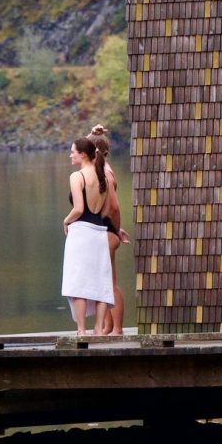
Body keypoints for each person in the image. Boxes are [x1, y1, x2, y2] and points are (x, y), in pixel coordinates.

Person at [63, 135, 117, 336]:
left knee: (78, 282)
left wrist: (66, 220)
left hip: (81, 233)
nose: (70, 155)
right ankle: (98, 328)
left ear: (83, 154)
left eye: (73, 152)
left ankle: (81, 330)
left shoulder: (77, 177)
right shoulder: (102, 175)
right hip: (99, 232)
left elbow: (78, 209)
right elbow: (105, 211)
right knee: (100, 281)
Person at [87, 123, 129, 332]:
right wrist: (94, 133)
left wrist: (116, 230)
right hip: (105, 230)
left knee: (110, 282)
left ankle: (117, 329)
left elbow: (113, 206)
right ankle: (108, 327)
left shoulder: (105, 172)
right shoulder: (102, 168)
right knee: (104, 282)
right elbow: (86, 146)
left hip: (107, 231)